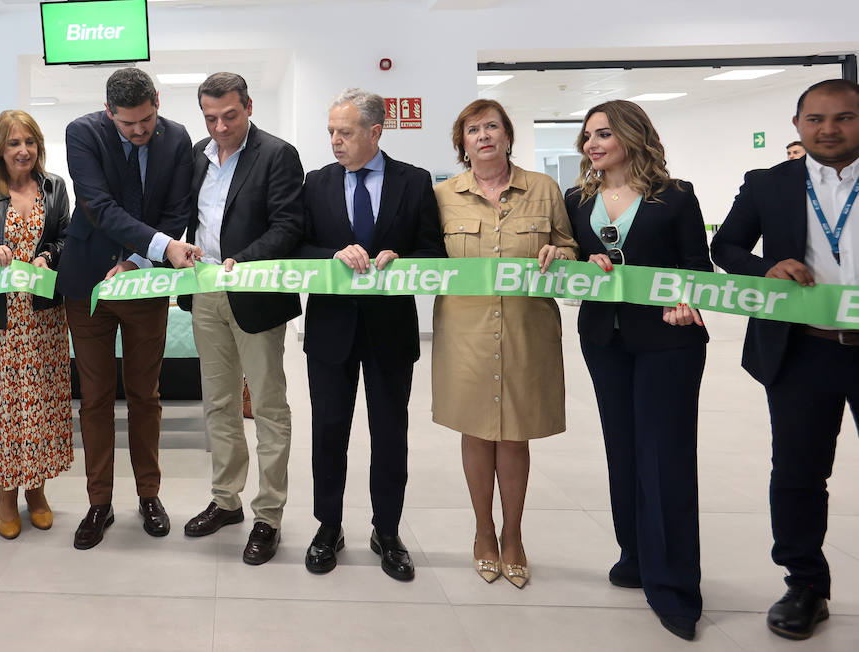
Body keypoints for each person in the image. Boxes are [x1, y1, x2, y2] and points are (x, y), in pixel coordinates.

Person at [712, 78, 859, 641]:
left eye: (844, 118)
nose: (829, 129)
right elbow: (725, 248)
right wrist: (765, 268)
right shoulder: (769, 184)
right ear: (797, 124)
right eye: (816, 119)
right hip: (804, 349)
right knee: (798, 473)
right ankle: (805, 585)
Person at [564, 99, 709, 642]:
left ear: (631, 134)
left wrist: (686, 299)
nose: (591, 145)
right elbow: (574, 258)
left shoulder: (675, 196)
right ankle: (635, 555)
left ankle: (674, 587)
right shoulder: (578, 198)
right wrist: (577, 260)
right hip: (604, 340)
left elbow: (697, 266)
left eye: (602, 134)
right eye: (586, 137)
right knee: (621, 449)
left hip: (667, 340)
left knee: (664, 456)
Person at [296, 89, 443, 582]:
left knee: (389, 434)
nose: (335, 141)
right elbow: (298, 245)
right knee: (329, 432)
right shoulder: (316, 183)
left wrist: (405, 260)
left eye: (346, 132)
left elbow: (433, 251)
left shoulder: (414, 182)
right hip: (330, 330)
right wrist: (329, 256)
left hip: (390, 330)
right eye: (331, 132)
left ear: (375, 132)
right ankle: (328, 525)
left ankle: (388, 530)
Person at [432, 99, 577, 589]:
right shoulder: (443, 195)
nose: (484, 135)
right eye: (473, 129)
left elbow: (571, 247)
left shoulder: (543, 189)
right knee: (475, 432)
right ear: (462, 144)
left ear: (508, 135)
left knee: (515, 434)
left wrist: (562, 252)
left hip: (525, 326)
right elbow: (423, 254)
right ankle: (482, 533)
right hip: (466, 331)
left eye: (492, 126)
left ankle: (513, 536)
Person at [56, 67, 195, 550]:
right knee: (93, 397)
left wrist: (139, 261)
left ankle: (149, 495)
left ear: (157, 100)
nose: (139, 132)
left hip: (144, 283)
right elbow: (97, 205)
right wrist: (159, 245)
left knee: (145, 394)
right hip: (88, 283)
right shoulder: (83, 133)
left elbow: (179, 209)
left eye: (147, 120)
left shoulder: (177, 138)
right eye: (128, 124)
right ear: (108, 111)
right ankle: (99, 501)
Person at [176, 72, 304, 565]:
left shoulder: (277, 154)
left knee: (269, 407)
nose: (221, 126)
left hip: (254, 293)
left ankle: (268, 514)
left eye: (230, 115)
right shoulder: (196, 155)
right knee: (219, 403)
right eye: (210, 118)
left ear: (248, 106)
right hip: (206, 294)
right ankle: (225, 499)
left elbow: (289, 224)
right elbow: (188, 218)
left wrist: (243, 260)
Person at [0, 110, 73, 539]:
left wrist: (50, 255)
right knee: (3, 410)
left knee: (40, 405)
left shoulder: (55, 187)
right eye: (13, 143)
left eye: (29, 141)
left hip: (43, 318)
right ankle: (5, 495)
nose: (23, 150)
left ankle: (37, 491)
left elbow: (65, 235)